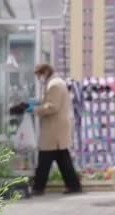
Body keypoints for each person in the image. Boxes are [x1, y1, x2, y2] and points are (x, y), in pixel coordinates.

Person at [28, 64, 82, 195]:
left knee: (44, 160)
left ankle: (38, 188)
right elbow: (50, 101)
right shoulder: (55, 83)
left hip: (54, 129)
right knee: (63, 160)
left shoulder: (54, 85)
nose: (39, 78)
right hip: (57, 129)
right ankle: (74, 186)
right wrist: (38, 102)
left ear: (45, 72)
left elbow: (52, 106)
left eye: (39, 75)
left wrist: (35, 109)